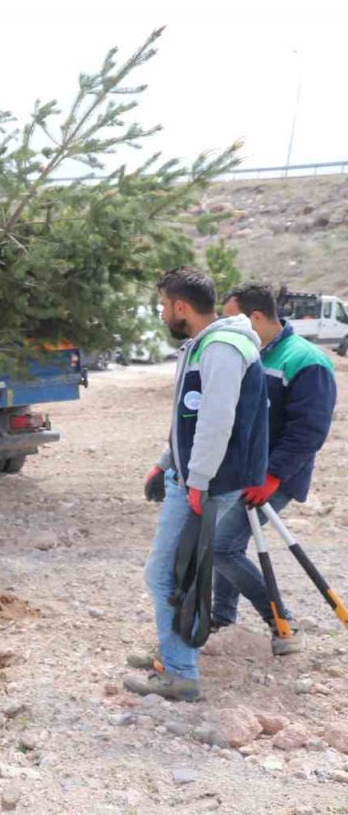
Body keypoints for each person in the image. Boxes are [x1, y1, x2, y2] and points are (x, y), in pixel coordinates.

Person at [127, 267, 268, 701]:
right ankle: (173, 648)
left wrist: (198, 481)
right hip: (192, 476)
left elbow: (216, 421)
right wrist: (166, 463)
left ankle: (179, 671)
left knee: (166, 574)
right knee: (180, 570)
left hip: (207, 481)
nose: (163, 314)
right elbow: (188, 418)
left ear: (180, 306)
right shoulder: (205, 345)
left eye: (164, 307)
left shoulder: (222, 349)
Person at [212, 283, 337, 653]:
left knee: (222, 547)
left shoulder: (306, 359)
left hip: (275, 477)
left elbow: (310, 429)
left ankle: (282, 621)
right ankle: (222, 617)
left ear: (255, 317)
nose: (224, 326)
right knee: (227, 541)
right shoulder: (252, 353)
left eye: (230, 318)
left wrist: (273, 475)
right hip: (243, 471)